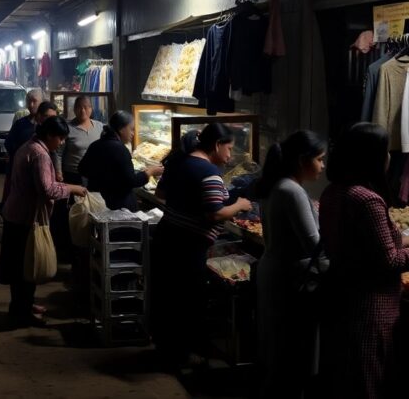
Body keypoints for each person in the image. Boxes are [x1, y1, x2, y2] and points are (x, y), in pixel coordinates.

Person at [319, 123, 409, 399]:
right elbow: (391, 263)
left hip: (341, 300)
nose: (390, 157)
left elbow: (357, 244)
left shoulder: (333, 191)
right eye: (385, 151)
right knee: (367, 382)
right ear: (371, 157)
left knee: (346, 380)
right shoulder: (368, 200)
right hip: (370, 308)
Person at [149, 123, 253, 368]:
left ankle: (166, 350)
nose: (230, 155)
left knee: (167, 298)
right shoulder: (209, 172)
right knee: (187, 299)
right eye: (228, 148)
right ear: (217, 145)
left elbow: (161, 194)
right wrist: (240, 205)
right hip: (187, 246)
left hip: (166, 237)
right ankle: (180, 356)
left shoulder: (178, 162)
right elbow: (215, 214)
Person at [253, 130, 328, 399]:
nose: (323, 166)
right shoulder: (292, 191)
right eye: (319, 159)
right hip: (291, 280)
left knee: (278, 354)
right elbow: (315, 245)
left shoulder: (276, 184)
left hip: (275, 271)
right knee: (292, 357)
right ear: (301, 160)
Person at [0, 116, 88, 327]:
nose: (62, 142)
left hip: (17, 213)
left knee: (22, 266)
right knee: (27, 267)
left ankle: (24, 305)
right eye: (61, 138)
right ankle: (22, 314)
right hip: (25, 217)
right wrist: (72, 189)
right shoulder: (39, 155)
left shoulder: (30, 146)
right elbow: (47, 189)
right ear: (49, 135)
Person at [78, 111, 162, 211]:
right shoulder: (120, 150)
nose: (133, 133)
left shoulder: (95, 144)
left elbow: (82, 169)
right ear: (121, 129)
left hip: (98, 202)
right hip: (118, 206)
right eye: (131, 129)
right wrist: (149, 172)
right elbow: (132, 181)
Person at [56, 96, 103, 185]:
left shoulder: (99, 127)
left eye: (85, 107)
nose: (82, 111)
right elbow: (58, 153)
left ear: (91, 108)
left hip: (95, 174)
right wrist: (58, 172)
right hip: (73, 175)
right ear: (74, 109)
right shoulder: (67, 128)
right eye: (79, 107)